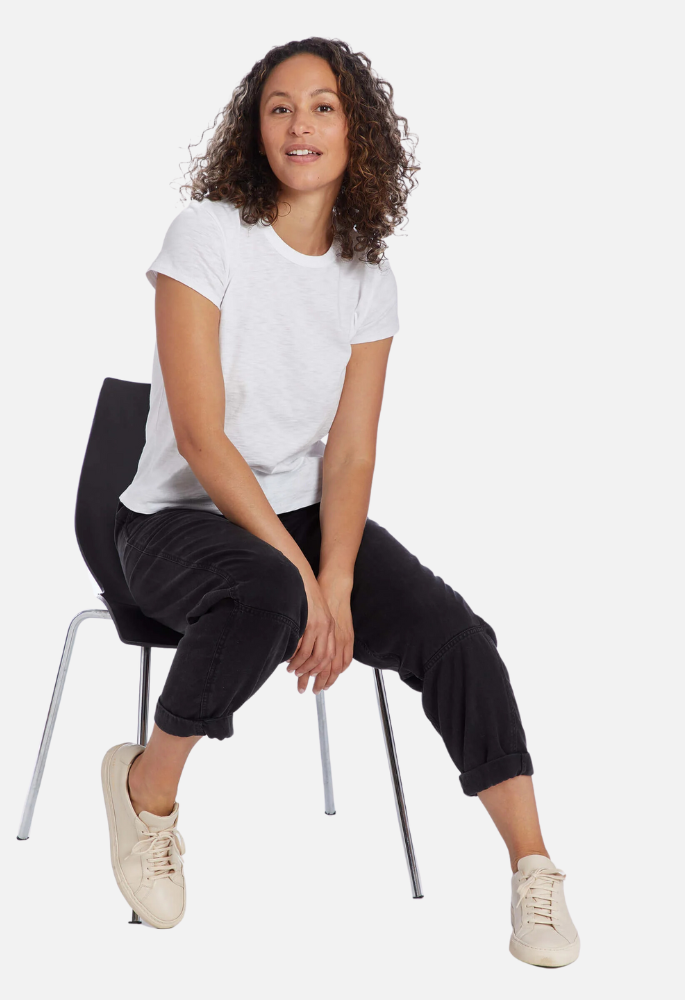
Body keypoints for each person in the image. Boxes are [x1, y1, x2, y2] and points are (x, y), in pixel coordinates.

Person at [101, 37, 580, 966]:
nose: (300, 125)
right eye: (279, 106)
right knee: (270, 598)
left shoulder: (369, 280)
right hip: (172, 521)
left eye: (322, 106)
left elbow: (352, 449)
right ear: (256, 127)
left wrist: (340, 574)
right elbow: (202, 437)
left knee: (455, 634)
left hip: (302, 514)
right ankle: (145, 792)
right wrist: (303, 581)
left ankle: (533, 868)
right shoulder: (205, 236)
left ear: (357, 131)